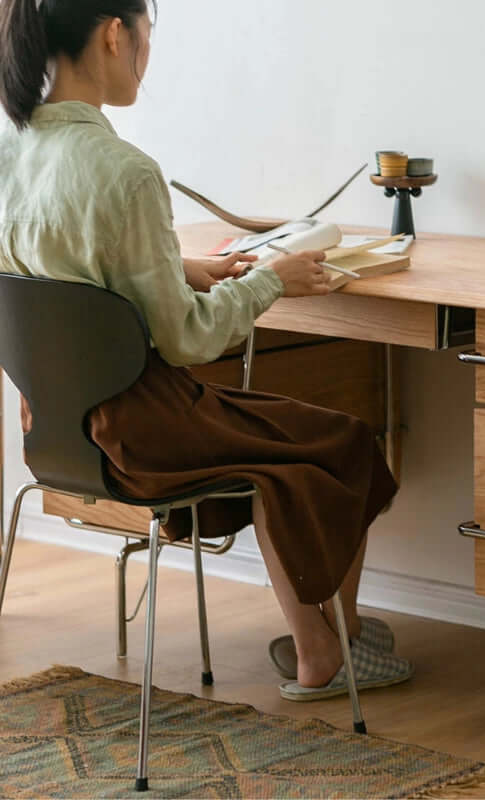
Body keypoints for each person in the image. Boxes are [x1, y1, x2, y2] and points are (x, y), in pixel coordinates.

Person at [0, 0, 413, 701]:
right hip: (145, 428)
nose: (146, 55)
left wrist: (180, 271)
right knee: (339, 443)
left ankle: (330, 642)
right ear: (113, 34)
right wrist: (271, 283)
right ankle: (326, 652)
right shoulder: (126, 172)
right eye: (147, 35)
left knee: (293, 445)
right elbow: (187, 340)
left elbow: (60, 281)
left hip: (57, 429)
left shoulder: (13, 154)